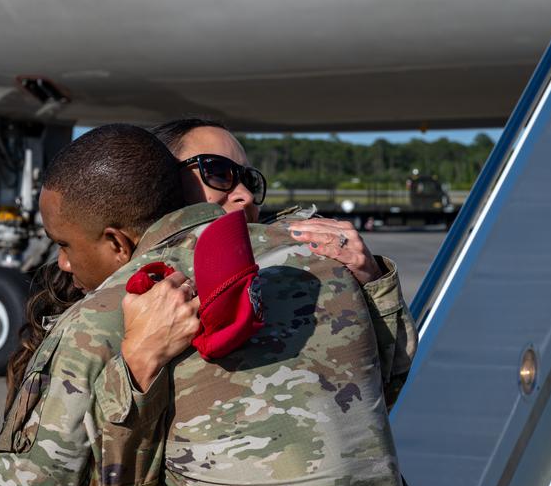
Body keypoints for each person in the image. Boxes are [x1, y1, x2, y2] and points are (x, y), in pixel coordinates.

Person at [0, 124, 421, 486]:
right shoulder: (324, 269)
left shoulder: (107, 314)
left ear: (117, 238)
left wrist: (132, 369)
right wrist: (375, 285)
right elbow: (379, 396)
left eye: (248, 179)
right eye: (218, 173)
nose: (241, 194)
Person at [152, 118, 415, 407]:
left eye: (250, 180)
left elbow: (387, 388)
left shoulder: (300, 264)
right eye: (216, 172)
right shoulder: (130, 285)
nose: (247, 195)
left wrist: (373, 282)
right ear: (162, 181)